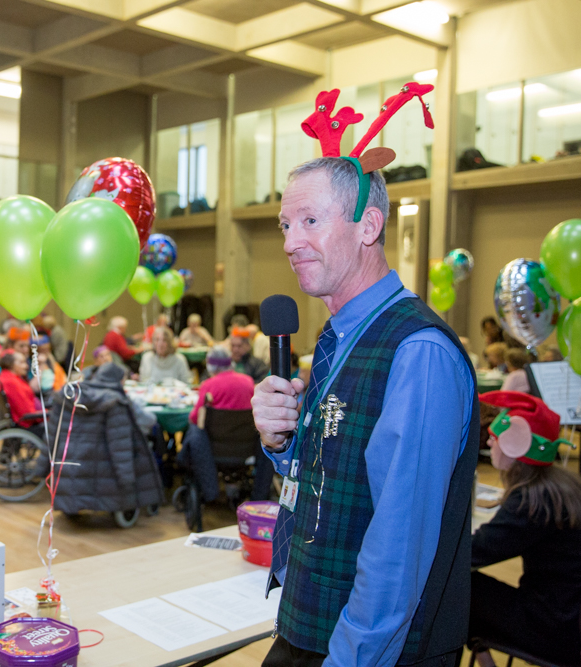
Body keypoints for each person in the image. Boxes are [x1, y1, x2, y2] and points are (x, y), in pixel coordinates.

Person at [251, 155, 476, 667]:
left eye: (310, 221)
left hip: (361, 649)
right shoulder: (341, 334)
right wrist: (279, 440)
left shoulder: (417, 351)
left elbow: (398, 549)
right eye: (286, 225)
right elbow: (333, 468)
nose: (289, 242)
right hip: (307, 623)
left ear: (368, 226)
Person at [469, 391, 581, 666]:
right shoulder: (561, 486)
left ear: (515, 444)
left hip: (556, 629)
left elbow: (475, 552)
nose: (489, 445)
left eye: (494, 440)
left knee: (459, 584)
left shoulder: (532, 501)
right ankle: (482, 655)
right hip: (569, 614)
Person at [179, 347, 269, 502]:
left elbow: (194, 418)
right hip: (245, 446)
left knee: (194, 431)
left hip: (214, 447)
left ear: (210, 365)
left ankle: (205, 487)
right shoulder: (247, 382)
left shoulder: (208, 385)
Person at [0, 352, 43, 436]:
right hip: (26, 424)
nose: (26, 366)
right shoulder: (12, 382)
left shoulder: (7, 377)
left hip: (25, 418)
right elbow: (26, 412)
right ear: (11, 364)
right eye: (21, 362)